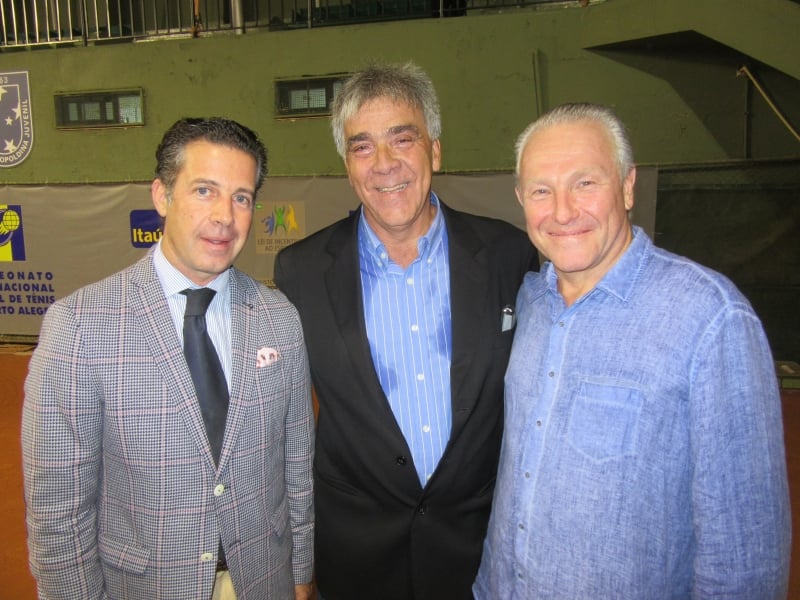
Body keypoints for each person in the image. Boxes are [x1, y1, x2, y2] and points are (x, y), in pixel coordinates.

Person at [473, 102, 791, 598]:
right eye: (542, 190)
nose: (561, 211)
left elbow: (744, 555)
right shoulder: (529, 302)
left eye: (585, 183)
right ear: (520, 199)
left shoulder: (710, 318)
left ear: (626, 186)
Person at [273, 61, 537, 599]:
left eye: (402, 138)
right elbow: (287, 429)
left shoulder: (509, 254)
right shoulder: (299, 271)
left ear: (435, 150)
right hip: (355, 560)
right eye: (363, 146)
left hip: (478, 553)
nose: (385, 165)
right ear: (347, 165)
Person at [22, 117, 315, 600]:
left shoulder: (279, 317)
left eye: (241, 197)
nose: (225, 215)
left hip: (265, 581)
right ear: (161, 196)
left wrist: (301, 573)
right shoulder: (78, 327)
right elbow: (58, 513)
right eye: (204, 190)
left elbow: (297, 467)